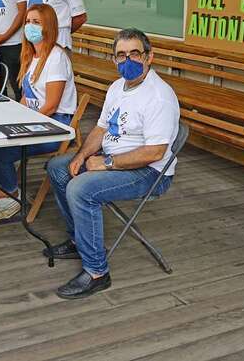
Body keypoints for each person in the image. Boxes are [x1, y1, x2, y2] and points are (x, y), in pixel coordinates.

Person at [45, 28, 180, 299]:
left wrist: (106, 162)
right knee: (59, 168)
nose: (127, 60)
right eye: (121, 55)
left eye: (134, 53)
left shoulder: (159, 96)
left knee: (81, 188)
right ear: (114, 60)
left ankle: (97, 272)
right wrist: (82, 156)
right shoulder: (117, 87)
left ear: (149, 56)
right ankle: (79, 240)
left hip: (150, 172)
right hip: (116, 161)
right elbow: (101, 128)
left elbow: (155, 152)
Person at [0, 3, 77, 221]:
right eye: (28, 22)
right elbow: (26, 97)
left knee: (2, 151)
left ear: (48, 26)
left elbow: (50, 105)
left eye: (36, 22)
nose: (30, 26)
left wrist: (22, 125)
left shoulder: (56, 58)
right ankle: (3, 191)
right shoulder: (32, 57)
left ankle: (11, 195)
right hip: (35, 119)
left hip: (54, 125)